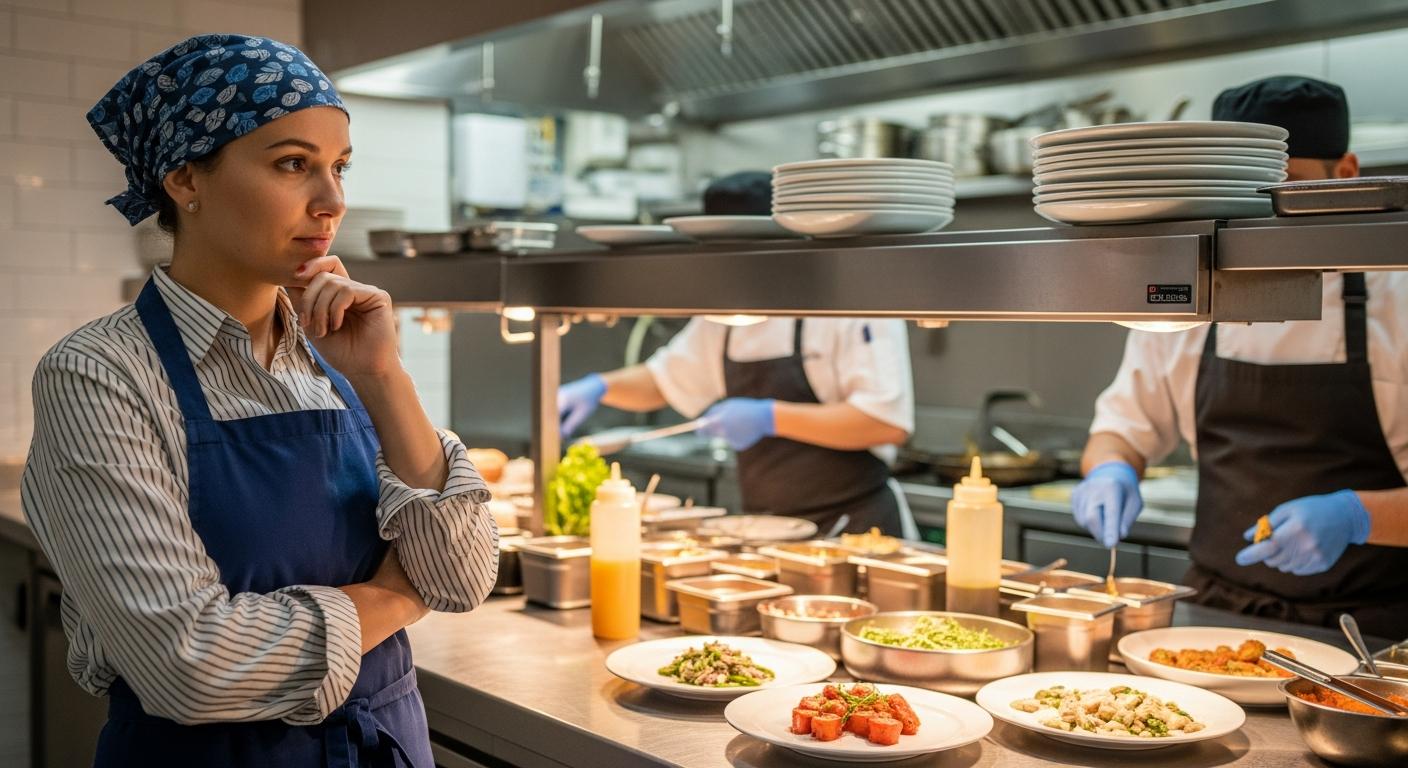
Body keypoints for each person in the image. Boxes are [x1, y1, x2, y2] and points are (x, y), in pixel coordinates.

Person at [21, 34, 497, 767]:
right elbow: (189, 664)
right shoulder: (99, 375)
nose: (332, 202)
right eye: (293, 164)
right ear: (185, 177)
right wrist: (399, 598)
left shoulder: (340, 354)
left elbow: (461, 577)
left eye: (339, 167)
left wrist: (384, 376)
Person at [1072, 75, 1408, 638]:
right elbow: (1122, 430)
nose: (1264, 218)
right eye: (1246, 194)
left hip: (1373, 634)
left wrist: (1357, 516)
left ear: (1346, 173)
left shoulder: (1398, 296)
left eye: (1289, 189)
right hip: (1216, 618)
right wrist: (1111, 470)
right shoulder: (1192, 296)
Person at [560, 173, 917, 537]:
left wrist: (770, 417)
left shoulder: (847, 303)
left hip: (856, 528)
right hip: (766, 529)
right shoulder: (727, 311)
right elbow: (664, 380)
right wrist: (598, 387)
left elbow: (886, 422)